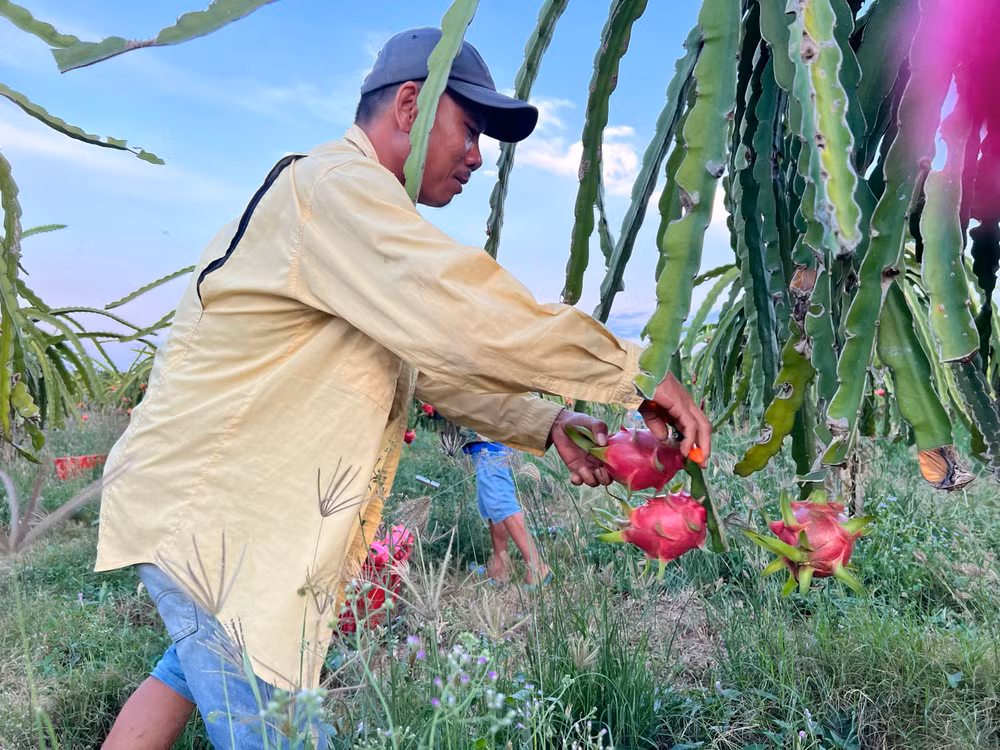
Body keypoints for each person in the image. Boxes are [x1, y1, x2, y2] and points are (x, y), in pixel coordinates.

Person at [99, 27, 711, 749]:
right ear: (411, 106)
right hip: (218, 527)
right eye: (470, 129)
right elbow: (462, 311)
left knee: (184, 671)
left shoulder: (347, 218)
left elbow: (427, 370)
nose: (479, 156)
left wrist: (546, 423)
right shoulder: (336, 190)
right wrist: (631, 370)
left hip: (212, 517)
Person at [463, 438, 550, 585]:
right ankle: (500, 566)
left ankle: (537, 567)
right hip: (493, 443)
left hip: (489, 442)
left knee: (500, 501)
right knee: (491, 503)